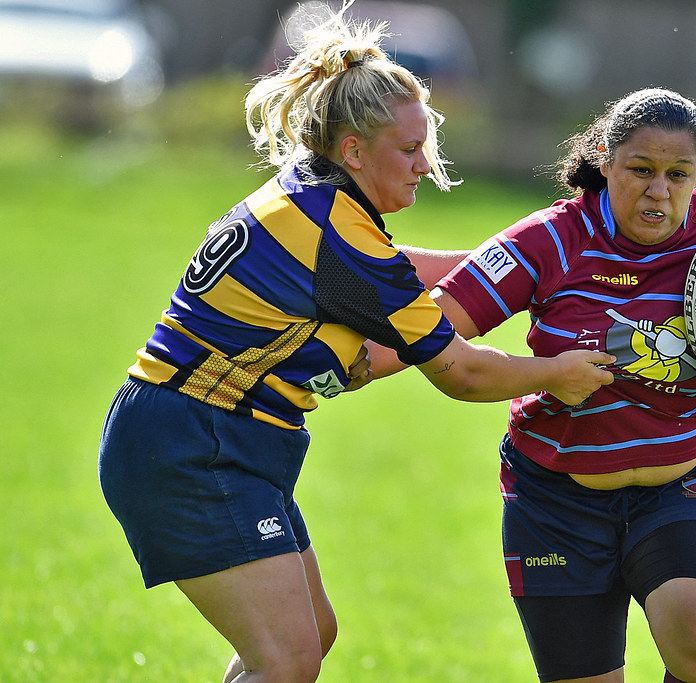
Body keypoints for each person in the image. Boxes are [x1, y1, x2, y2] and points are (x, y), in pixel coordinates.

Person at [96, 3, 614, 681]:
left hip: (207, 433)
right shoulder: (339, 235)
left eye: (426, 145)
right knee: (285, 660)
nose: (425, 164)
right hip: (195, 443)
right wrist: (555, 372)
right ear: (353, 151)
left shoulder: (319, 196)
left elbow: (398, 270)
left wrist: (528, 269)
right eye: (409, 149)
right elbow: (461, 373)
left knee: (309, 635)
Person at [377, 88, 696, 682]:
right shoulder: (549, 239)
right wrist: (337, 368)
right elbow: (433, 333)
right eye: (641, 170)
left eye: (679, 174)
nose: (659, 191)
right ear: (603, 159)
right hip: (556, 499)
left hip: (683, 480)